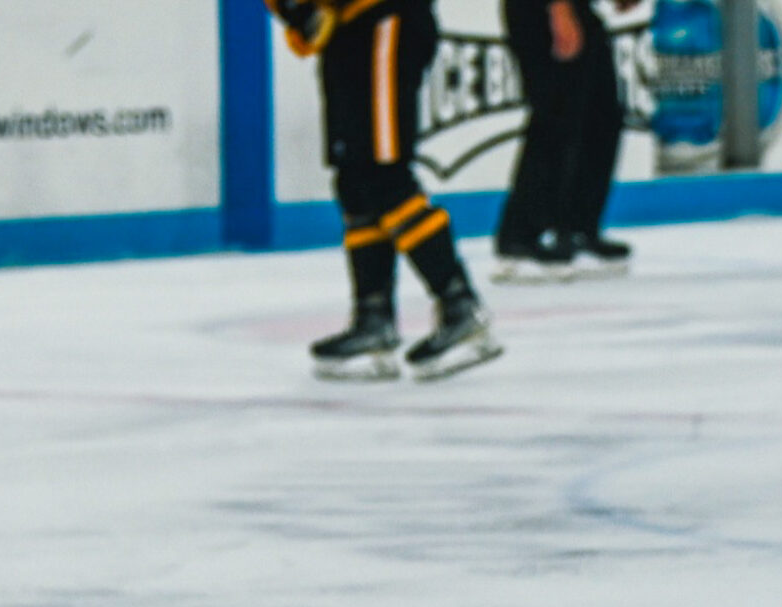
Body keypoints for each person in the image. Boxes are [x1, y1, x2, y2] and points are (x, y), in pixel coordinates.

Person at [267, 0, 503, 380]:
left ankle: (460, 305)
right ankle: (373, 317)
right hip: (348, 29)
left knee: (384, 174)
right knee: (355, 181)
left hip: (384, 17)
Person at [495, 0, 640, 281]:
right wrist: (559, 9)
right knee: (555, 116)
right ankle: (519, 237)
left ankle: (577, 226)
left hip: (575, 8)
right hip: (541, 11)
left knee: (602, 115)